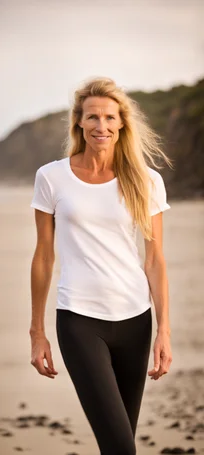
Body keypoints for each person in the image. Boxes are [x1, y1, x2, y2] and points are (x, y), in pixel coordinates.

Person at [29, 77, 173, 455]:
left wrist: (164, 331)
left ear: (122, 123)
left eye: (110, 117)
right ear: (79, 122)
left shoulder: (146, 181)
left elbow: (155, 260)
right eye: (92, 117)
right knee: (120, 446)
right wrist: (36, 332)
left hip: (136, 320)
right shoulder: (51, 177)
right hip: (79, 319)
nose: (101, 126)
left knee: (120, 442)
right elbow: (44, 256)